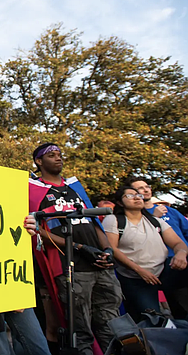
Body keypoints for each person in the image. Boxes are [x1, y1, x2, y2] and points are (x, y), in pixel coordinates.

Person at [28, 143, 121, 355]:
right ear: (39, 162)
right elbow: (37, 229)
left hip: (100, 263)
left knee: (111, 323)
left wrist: (107, 249)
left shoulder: (74, 187)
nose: (58, 158)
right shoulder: (35, 190)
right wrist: (79, 247)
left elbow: (94, 222)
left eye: (60, 154)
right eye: (51, 155)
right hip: (71, 265)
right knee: (80, 327)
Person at [102, 185, 188, 321]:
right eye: (129, 196)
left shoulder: (156, 221)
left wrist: (181, 253)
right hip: (135, 278)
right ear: (119, 202)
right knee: (152, 319)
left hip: (163, 270)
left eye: (139, 195)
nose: (137, 197)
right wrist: (140, 271)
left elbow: (178, 243)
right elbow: (112, 248)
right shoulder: (114, 220)